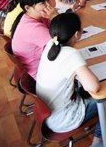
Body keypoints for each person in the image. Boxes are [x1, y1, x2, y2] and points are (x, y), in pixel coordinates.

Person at [36, 13, 102, 147]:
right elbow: (93, 87)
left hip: (48, 115)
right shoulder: (71, 54)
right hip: (65, 118)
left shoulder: (51, 44)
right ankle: (98, 142)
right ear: (77, 34)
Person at [11, 0, 58, 79]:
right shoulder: (34, 28)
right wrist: (55, 17)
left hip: (42, 64)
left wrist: (54, 18)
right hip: (40, 74)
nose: (49, 5)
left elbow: (56, 30)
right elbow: (59, 44)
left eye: (48, 0)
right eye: (42, 3)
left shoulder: (36, 17)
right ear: (28, 8)